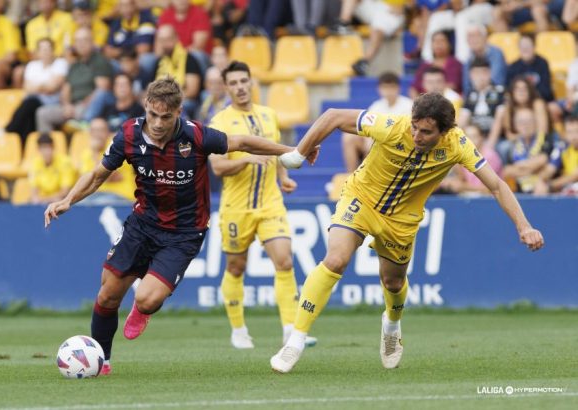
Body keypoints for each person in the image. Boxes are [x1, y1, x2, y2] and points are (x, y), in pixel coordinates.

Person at [43, 76, 318, 376]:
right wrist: (68, 200)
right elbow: (98, 175)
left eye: (166, 116)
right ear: (146, 106)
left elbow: (241, 142)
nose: (158, 123)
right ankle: (100, 361)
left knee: (147, 299)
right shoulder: (128, 135)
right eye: (152, 114)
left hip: (184, 233)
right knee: (107, 294)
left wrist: (293, 150)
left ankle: (142, 310)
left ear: (178, 111)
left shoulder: (195, 136)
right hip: (142, 223)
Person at [270, 92, 544, 373]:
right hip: (361, 199)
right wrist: (298, 153)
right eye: (414, 127)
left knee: (393, 283)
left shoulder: (458, 144)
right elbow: (333, 117)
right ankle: (296, 340)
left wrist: (524, 226)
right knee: (336, 259)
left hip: (402, 220)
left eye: (426, 132)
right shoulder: (392, 125)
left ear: (445, 131)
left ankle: (391, 325)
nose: (416, 135)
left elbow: (496, 185)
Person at [208, 61, 316, 349]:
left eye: (245, 80)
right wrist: (244, 159)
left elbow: (277, 152)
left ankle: (291, 329)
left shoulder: (269, 116)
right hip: (236, 207)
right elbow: (217, 167)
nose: (241, 87)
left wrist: (283, 177)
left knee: (284, 260)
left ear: (251, 82)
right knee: (236, 267)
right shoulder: (219, 123)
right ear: (227, 88)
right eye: (234, 83)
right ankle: (238, 329)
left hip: (270, 203)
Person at [343, 71, 413, 173]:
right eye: (385, 87)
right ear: (379, 89)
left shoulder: (408, 105)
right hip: (375, 142)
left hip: (398, 146)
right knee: (348, 137)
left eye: (391, 87)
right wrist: (368, 142)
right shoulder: (376, 106)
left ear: (398, 88)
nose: (388, 91)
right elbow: (366, 128)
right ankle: (351, 174)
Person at [534, 115, 578, 195]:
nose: (574, 137)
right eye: (570, 132)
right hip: (567, 188)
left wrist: (549, 186)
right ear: (565, 134)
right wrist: (541, 181)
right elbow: (549, 169)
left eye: (576, 132)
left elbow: (575, 176)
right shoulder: (562, 147)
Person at [30, 133, 76, 204]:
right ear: (38, 149)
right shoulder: (35, 164)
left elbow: (65, 191)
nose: (46, 152)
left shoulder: (65, 162)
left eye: (48, 147)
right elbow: (34, 191)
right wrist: (38, 199)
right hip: (42, 201)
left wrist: (46, 200)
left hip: (60, 201)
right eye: (43, 148)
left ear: (53, 147)